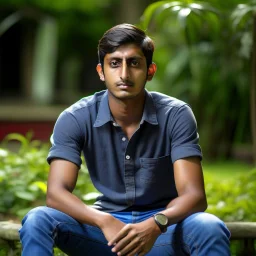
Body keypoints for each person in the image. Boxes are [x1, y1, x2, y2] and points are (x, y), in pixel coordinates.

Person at [19, 23, 231, 256]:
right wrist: (103, 221)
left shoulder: (176, 114)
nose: (124, 74)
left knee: (209, 226)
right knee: (38, 219)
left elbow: (194, 196)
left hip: (162, 231)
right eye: (114, 63)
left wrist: (156, 223)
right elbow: (56, 193)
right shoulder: (75, 117)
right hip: (105, 235)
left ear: (150, 71)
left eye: (134, 63)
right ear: (101, 71)